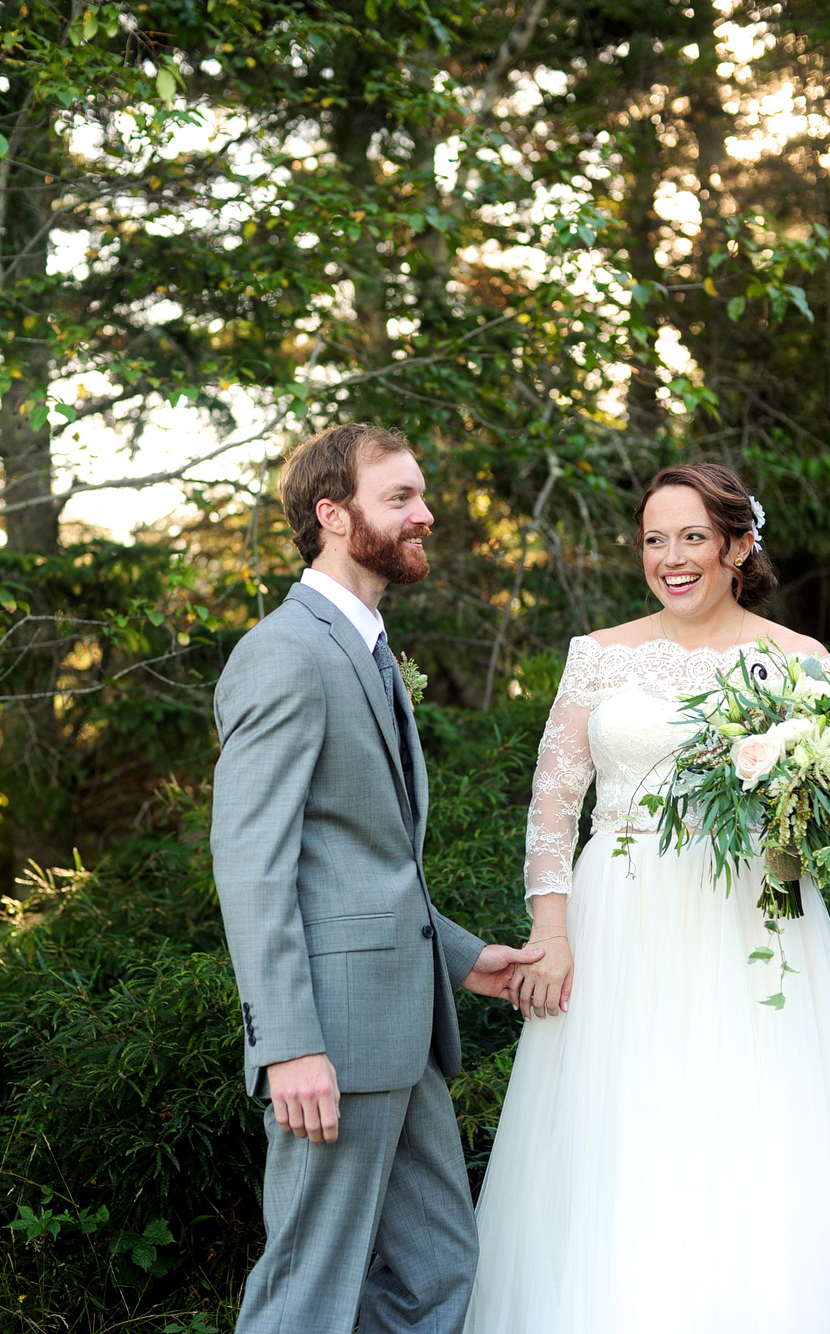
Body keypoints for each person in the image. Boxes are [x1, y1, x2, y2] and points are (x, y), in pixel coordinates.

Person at [464, 463, 830, 1334]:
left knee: (752, 1116)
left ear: (738, 545)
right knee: (620, 1126)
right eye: (654, 539)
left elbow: (815, 816)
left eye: (693, 536)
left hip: (751, 918)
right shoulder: (597, 654)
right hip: (618, 917)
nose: (671, 557)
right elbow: (554, 803)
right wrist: (549, 931)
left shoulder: (802, 662)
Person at [210, 421, 542, 1334]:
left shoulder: (366, 648)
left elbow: (362, 856)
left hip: (404, 1027)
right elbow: (253, 865)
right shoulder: (283, 652)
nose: (424, 514)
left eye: (419, 495)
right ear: (332, 513)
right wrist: (287, 1044)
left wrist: (465, 957)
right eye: (400, 497)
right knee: (309, 1287)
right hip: (331, 1040)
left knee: (439, 1271)